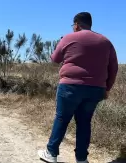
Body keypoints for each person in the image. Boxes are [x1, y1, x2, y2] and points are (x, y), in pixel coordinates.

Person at [38, 12, 118, 163]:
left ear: (76, 25)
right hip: (95, 89)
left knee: (62, 118)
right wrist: (107, 89)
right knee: (84, 122)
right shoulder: (106, 41)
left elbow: (55, 59)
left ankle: (51, 153)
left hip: (71, 86)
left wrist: (61, 44)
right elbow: (113, 68)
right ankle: (81, 159)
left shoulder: (69, 37)